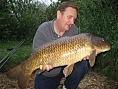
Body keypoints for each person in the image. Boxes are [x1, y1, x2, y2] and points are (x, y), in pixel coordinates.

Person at [32, 1, 88, 89]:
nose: (72, 22)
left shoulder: (74, 30)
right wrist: (42, 65)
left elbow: (75, 54)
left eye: (74, 19)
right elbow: (35, 54)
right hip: (48, 73)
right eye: (69, 17)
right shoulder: (43, 30)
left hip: (65, 66)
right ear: (59, 14)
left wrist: (83, 54)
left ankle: (67, 87)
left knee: (82, 65)